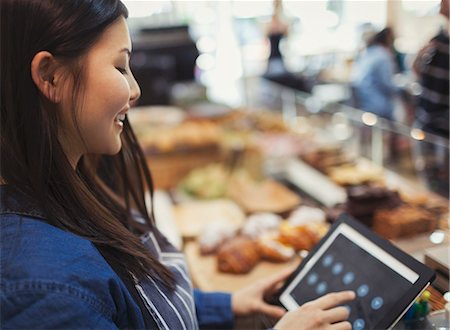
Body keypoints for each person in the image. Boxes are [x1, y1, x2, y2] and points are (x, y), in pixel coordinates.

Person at [0, 1, 355, 329]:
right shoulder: (41, 288)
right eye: (120, 66)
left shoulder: (66, 191)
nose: (135, 89)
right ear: (50, 77)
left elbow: (126, 304)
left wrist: (224, 304)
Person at [411, 0, 449, 197]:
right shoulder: (438, 39)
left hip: (445, 131)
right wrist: (419, 56)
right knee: (431, 187)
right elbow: (418, 70)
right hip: (427, 124)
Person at [351, 27, 400, 120]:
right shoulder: (382, 55)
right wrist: (402, 87)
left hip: (364, 102)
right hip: (378, 106)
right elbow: (387, 84)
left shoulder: (366, 54)